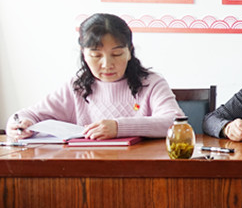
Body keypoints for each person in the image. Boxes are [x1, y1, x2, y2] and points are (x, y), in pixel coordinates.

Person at [5, 13, 183, 140]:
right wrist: (19, 125)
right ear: (84, 54)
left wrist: (119, 127)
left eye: (117, 54)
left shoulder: (151, 83)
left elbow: (175, 122)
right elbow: (29, 114)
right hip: (87, 168)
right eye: (96, 55)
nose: (107, 64)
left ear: (130, 51)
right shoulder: (77, 87)